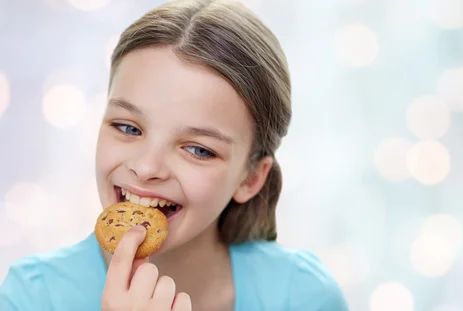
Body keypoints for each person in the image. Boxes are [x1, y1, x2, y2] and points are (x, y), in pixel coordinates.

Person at [0, 0, 349, 310]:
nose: (146, 167)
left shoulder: (304, 297)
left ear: (251, 177)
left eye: (198, 149)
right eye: (128, 128)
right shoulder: (32, 297)